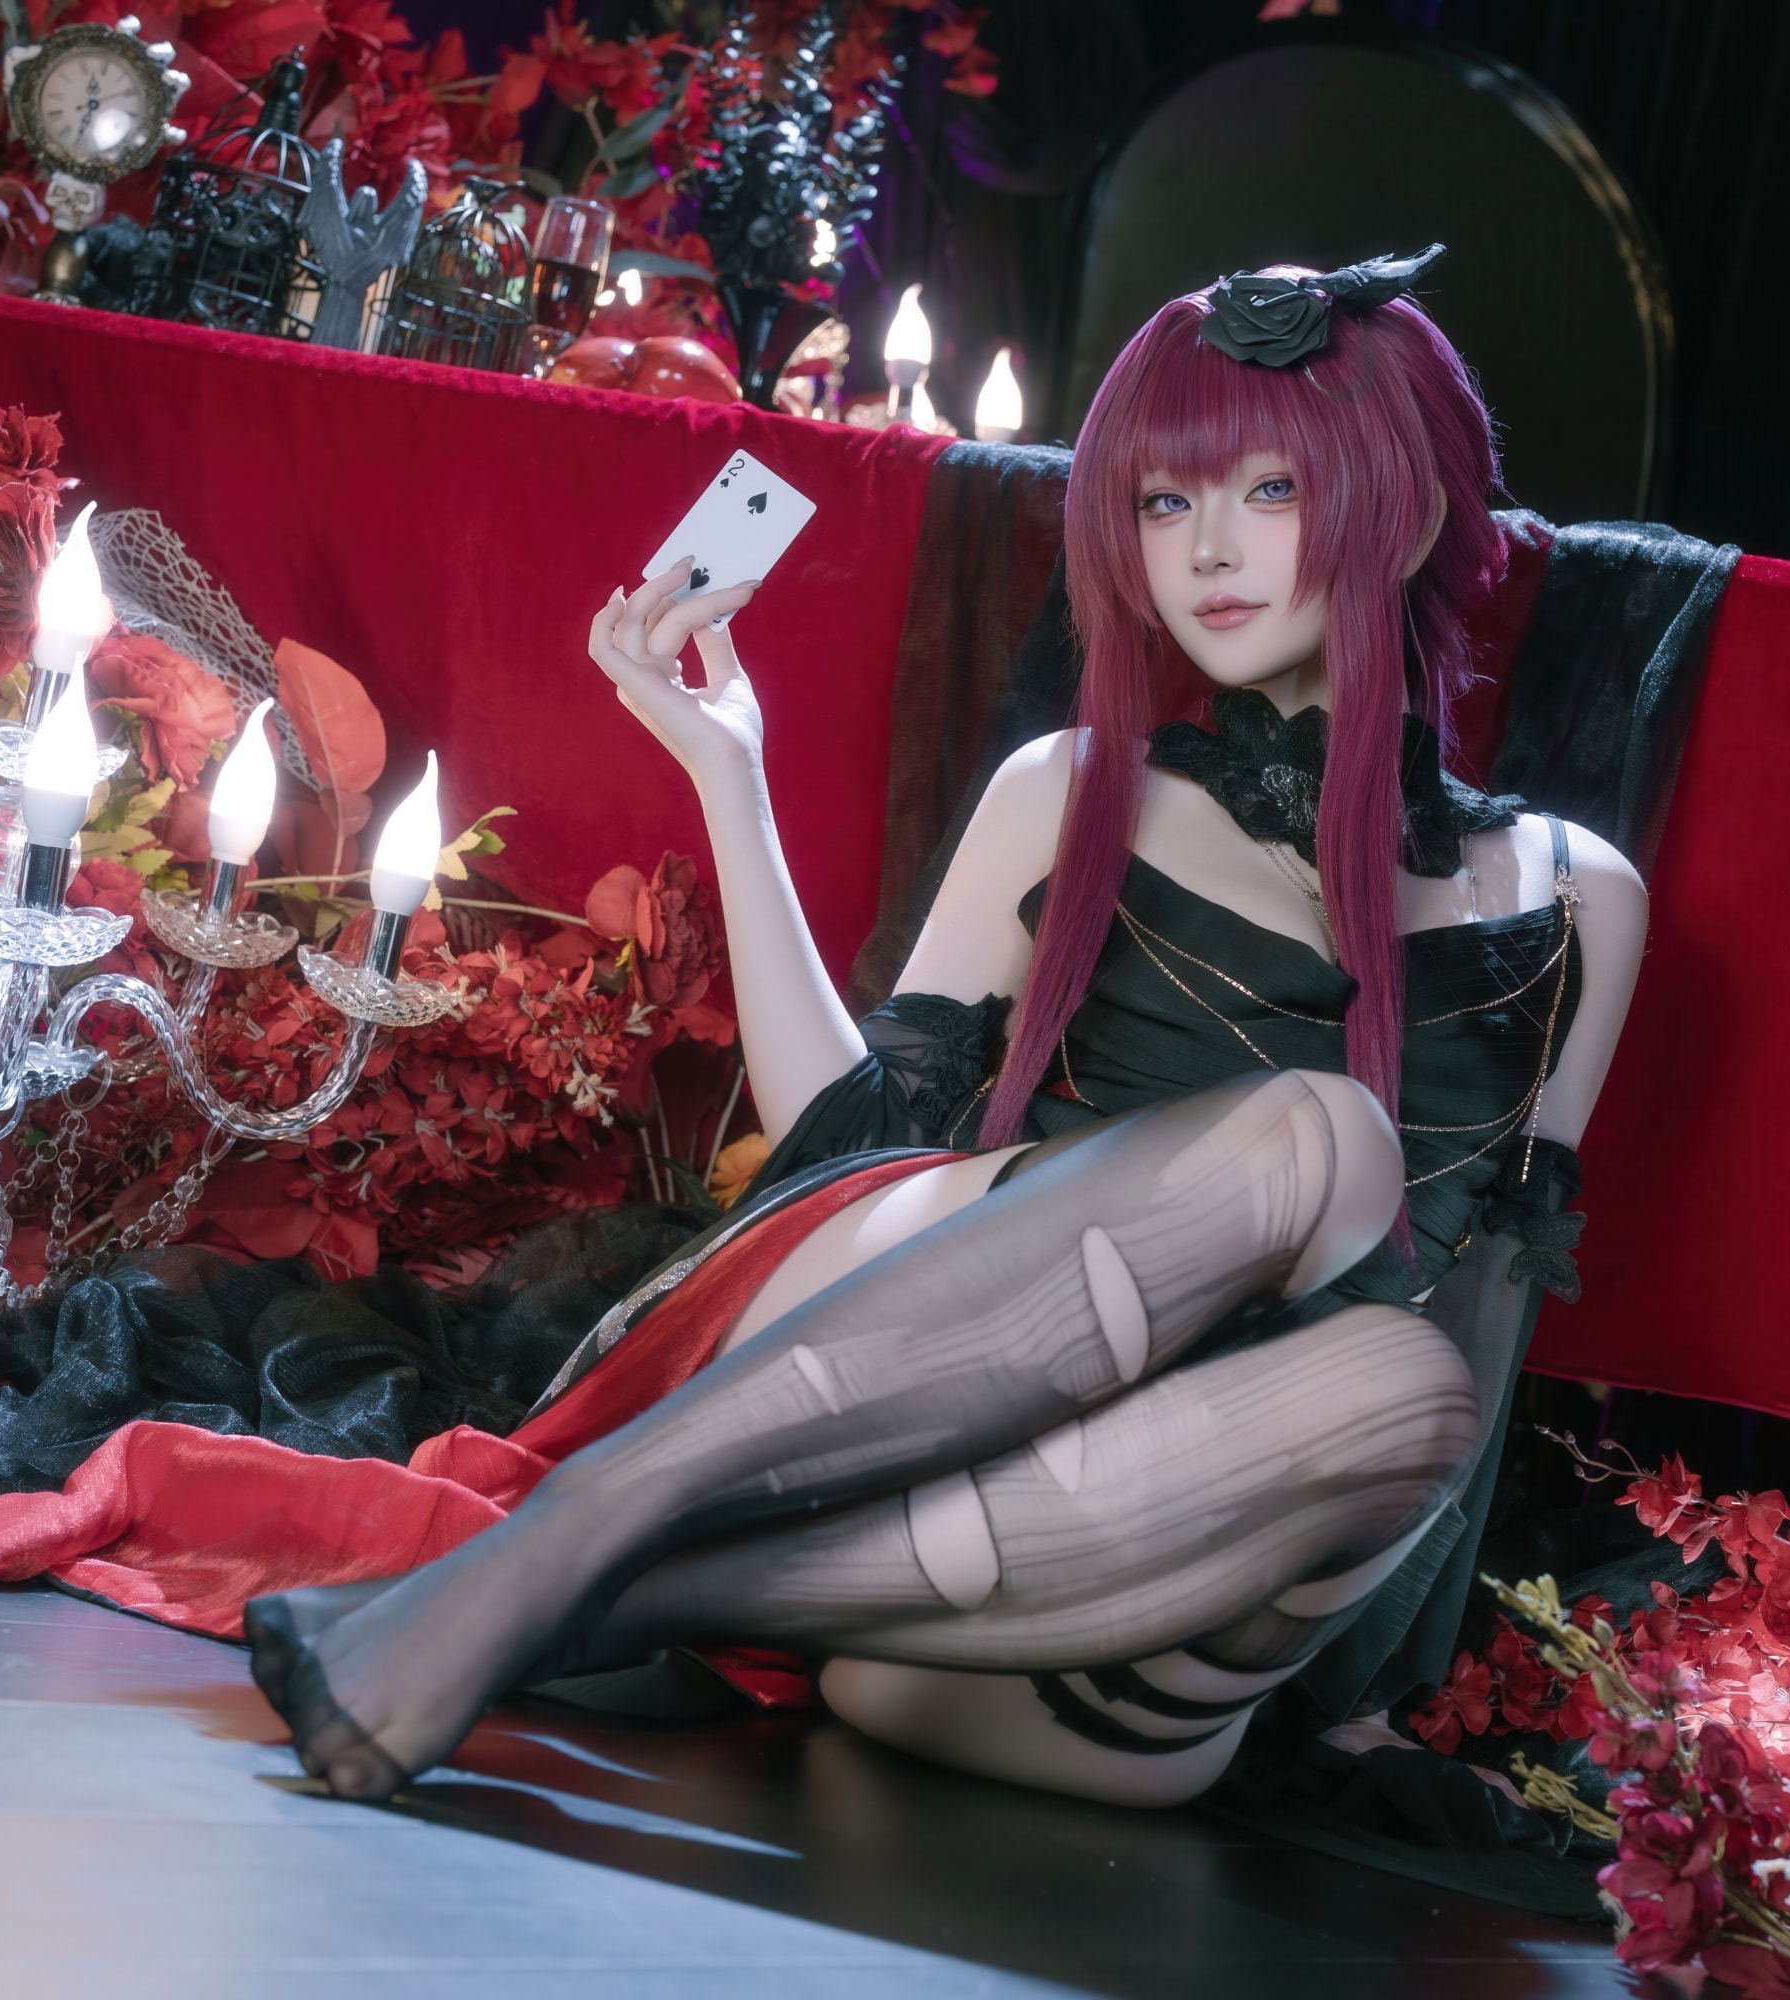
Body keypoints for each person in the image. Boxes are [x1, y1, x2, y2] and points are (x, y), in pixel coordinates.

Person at [245, 247, 1646, 1809]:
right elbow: (854, 1157)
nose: (1206, 550)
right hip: (917, 1418)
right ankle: (577, 1544)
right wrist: (730, 780)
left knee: (1414, 1385)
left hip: (1101, 1613)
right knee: (1324, 1133)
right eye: (1164, 501)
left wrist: (1378, 1698)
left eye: (1270, 490)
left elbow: (1488, 1320)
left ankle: (579, 1592)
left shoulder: (1577, 899)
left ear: (1419, 510)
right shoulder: (1078, 786)